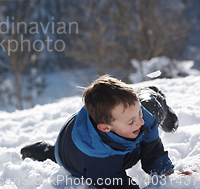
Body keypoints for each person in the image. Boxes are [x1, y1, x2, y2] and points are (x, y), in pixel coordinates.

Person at [21, 75, 178, 189]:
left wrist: (165, 172)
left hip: (120, 131)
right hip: (69, 150)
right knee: (55, 152)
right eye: (131, 121)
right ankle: (45, 149)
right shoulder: (99, 161)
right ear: (105, 127)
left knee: (150, 106)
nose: (141, 121)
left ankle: (151, 93)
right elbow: (119, 186)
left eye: (139, 112)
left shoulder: (135, 117)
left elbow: (152, 151)